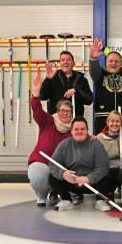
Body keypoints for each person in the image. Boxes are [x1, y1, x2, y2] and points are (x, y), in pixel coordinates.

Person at [27, 68, 72, 207]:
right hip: (42, 162)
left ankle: (58, 191)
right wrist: (35, 95)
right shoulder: (48, 121)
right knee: (39, 175)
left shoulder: (74, 127)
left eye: (68, 111)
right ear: (57, 112)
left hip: (61, 165)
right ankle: (41, 195)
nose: (65, 113)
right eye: (62, 111)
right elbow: (37, 111)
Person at [48, 116, 111, 211]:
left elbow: (103, 167)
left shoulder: (96, 145)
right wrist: (63, 174)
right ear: (71, 131)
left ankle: (100, 201)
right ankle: (66, 200)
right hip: (72, 183)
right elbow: (53, 164)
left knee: (107, 175)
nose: (79, 131)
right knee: (52, 177)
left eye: (82, 129)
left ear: (87, 130)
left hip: (91, 184)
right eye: (76, 129)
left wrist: (88, 178)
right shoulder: (64, 144)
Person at [39, 51, 93, 117]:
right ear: (60, 63)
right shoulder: (53, 77)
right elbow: (42, 96)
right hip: (56, 122)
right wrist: (48, 79)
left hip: (74, 122)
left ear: (73, 63)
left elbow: (89, 100)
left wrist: (76, 91)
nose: (65, 62)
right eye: (62, 60)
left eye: (68, 60)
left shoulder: (82, 80)